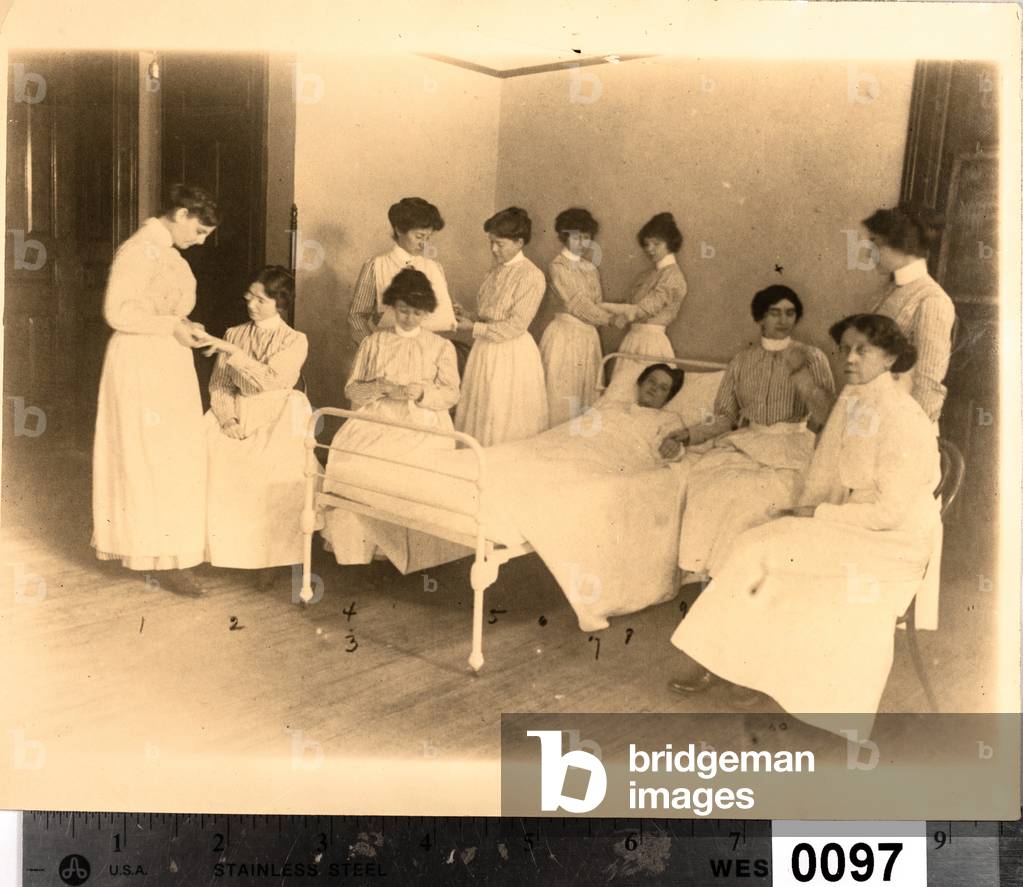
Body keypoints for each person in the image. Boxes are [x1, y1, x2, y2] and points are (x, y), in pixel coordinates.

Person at [668, 314, 941, 734]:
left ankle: (729, 666)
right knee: (753, 543)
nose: (849, 358)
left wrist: (817, 515)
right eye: (845, 348)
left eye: (862, 350)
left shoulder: (904, 418)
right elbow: (825, 471)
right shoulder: (855, 399)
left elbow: (892, 513)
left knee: (765, 553)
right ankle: (728, 664)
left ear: (889, 358)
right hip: (850, 522)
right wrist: (806, 510)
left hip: (891, 542)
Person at [92, 183, 219, 595]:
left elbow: (167, 310)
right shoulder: (141, 248)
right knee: (147, 453)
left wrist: (187, 326)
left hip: (167, 360)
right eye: (198, 231)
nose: (199, 241)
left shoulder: (168, 255)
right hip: (139, 361)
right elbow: (118, 311)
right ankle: (151, 554)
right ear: (180, 214)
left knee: (172, 454)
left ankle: (169, 554)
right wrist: (171, 325)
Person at [660, 285, 835, 578]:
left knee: (755, 498)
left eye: (790, 313)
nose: (783, 320)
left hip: (791, 444)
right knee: (709, 485)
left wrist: (799, 373)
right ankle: (715, 576)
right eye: (774, 313)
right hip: (748, 442)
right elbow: (725, 416)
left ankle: (746, 578)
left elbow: (826, 415)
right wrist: (688, 434)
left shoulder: (812, 356)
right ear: (760, 318)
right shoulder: (742, 360)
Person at [323, 268, 460, 566]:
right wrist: (378, 387)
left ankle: (407, 554)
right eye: (402, 310)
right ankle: (361, 551)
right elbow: (352, 390)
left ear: (426, 312)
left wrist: (421, 393)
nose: (408, 318)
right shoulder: (374, 343)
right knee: (354, 457)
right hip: (377, 416)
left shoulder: (440, 347)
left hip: (422, 422)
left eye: (416, 312)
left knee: (408, 467)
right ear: (393, 307)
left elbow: (451, 394)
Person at [199, 266, 311, 587]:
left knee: (270, 472)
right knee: (210, 457)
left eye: (261, 300)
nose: (252, 304)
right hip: (237, 412)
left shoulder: (295, 340)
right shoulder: (234, 333)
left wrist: (235, 355)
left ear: (280, 302)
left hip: (278, 416)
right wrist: (227, 418)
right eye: (250, 296)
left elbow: (270, 381)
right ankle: (223, 551)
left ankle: (271, 558)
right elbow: (220, 384)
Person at [454, 207, 548, 446]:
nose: (494, 249)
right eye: (491, 243)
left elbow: (515, 325)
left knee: (502, 414)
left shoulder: (531, 275)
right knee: (482, 411)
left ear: (519, 242)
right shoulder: (495, 270)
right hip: (485, 349)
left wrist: (472, 327)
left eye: (500, 244)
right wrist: (466, 314)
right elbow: (489, 314)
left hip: (511, 353)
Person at [538, 208, 633, 427]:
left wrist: (617, 310)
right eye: (576, 236)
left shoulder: (591, 269)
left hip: (588, 337)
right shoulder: (557, 266)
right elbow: (577, 303)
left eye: (587, 238)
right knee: (562, 394)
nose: (582, 242)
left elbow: (596, 303)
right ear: (564, 236)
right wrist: (609, 320)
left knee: (585, 396)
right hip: (565, 336)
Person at [862, 205, 955, 424]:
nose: (868, 252)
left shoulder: (931, 300)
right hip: (872, 414)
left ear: (900, 243)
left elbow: (928, 384)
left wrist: (906, 435)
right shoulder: (886, 292)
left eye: (875, 242)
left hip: (901, 427)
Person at [347, 196, 457, 344]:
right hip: (387, 350)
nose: (424, 244)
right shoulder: (376, 266)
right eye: (419, 237)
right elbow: (357, 317)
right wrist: (372, 348)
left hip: (426, 351)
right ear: (399, 230)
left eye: (428, 238)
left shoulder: (435, 268)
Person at [607, 212, 688, 392]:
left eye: (656, 244)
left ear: (670, 243)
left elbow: (644, 309)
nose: (650, 248)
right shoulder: (648, 275)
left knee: (644, 394)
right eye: (647, 244)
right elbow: (629, 306)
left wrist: (602, 307)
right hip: (633, 340)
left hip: (651, 344)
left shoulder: (673, 277)